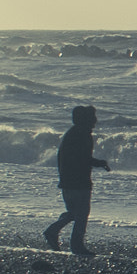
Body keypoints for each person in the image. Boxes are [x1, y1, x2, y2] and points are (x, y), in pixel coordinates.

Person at [44, 105, 110, 256]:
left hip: (68, 180)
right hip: (78, 182)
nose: (95, 121)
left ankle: (53, 230)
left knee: (74, 213)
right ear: (86, 119)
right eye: (92, 117)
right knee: (81, 214)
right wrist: (98, 163)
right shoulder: (83, 135)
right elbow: (82, 159)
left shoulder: (72, 133)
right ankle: (76, 246)